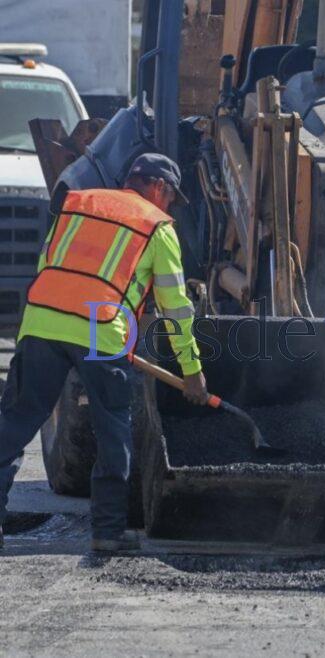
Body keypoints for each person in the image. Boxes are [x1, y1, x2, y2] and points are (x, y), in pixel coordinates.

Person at [0, 153, 208, 552]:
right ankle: (107, 533)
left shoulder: (78, 203)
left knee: (15, 422)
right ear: (159, 188)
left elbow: (49, 262)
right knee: (113, 430)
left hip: (41, 323)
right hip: (101, 333)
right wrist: (192, 370)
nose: (169, 206)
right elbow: (176, 307)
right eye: (171, 197)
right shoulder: (157, 226)